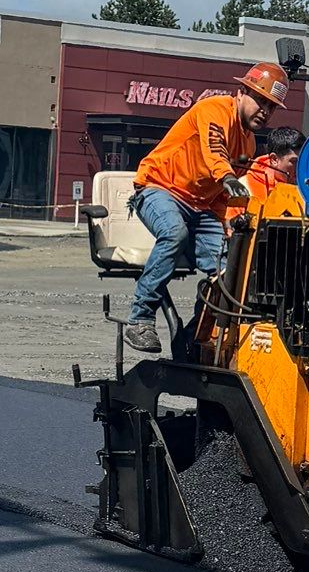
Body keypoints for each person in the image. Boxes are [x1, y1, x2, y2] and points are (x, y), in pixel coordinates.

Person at [122, 63, 289, 355]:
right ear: (242, 92)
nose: (265, 111)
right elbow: (215, 150)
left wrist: (228, 228)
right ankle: (140, 320)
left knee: (230, 266)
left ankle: (193, 338)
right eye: (260, 101)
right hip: (159, 188)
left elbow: (221, 197)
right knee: (175, 233)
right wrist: (227, 177)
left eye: (271, 107)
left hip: (200, 206)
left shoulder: (249, 143)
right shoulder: (214, 109)